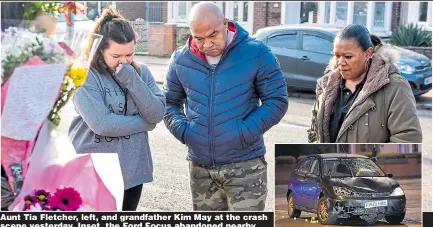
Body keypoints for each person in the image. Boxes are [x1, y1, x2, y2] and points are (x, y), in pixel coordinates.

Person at [163, 2, 288, 211]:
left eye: (213, 35)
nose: (207, 44)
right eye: (199, 38)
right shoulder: (181, 60)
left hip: (245, 165)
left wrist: (243, 132)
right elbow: (169, 103)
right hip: (201, 168)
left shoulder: (256, 53)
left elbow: (277, 100)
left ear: (225, 23)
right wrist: (185, 132)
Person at [68, 7, 166, 211]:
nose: (124, 61)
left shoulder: (142, 72)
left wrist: (132, 79)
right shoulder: (84, 74)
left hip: (132, 170)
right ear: (100, 50)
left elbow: (157, 113)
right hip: (94, 169)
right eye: (116, 55)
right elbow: (102, 124)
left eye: (129, 54)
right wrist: (145, 123)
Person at [308, 24, 422, 143]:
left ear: (368, 53)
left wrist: (364, 161)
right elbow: (314, 133)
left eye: (348, 56)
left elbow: (408, 139)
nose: (340, 62)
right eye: (337, 56)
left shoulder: (395, 87)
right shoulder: (326, 85)